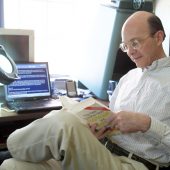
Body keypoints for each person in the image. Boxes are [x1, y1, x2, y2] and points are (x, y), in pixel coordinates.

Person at [1, 11, 170, 170]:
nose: (130, 52)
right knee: (12, 166)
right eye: (126, 46)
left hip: (136, 165)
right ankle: (10, 154)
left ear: (158, 37)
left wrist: (146, 124)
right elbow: (111, 121)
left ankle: (9, 149)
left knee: (64, 122)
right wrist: (100, 130)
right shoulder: (128, 78)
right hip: (102, 151)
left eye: (135, 43)